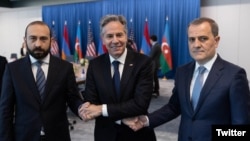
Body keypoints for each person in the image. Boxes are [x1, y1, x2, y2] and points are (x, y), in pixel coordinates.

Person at [123, 17, 250, 141]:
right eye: (191, 39)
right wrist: (146, 120)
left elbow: (241, 127)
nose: (196, 44)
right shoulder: (182, 72)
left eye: (203, 39)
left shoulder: (234, 75)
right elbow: (174, 107)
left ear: (216, 41)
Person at [0, 21, 84, 141]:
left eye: (43, 39)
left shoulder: (64, 67)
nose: (38, 44)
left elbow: (73, 98)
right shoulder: (12, 69)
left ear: (52, 40)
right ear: (25, 40)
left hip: (58, 135)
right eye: (33, 38)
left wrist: (82, 109)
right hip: (24, 136)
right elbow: (5, 110)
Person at [79, 15, 156, 141]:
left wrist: (102, 109)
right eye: (109, 36)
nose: (115, 40)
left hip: (137, 134)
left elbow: (140, 104)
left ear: (126, 36)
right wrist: (121, 118)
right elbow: (91, 103)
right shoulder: (95, 65)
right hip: (105, 135)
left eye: (119, 35)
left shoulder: (143, 63)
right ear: (103, 39)